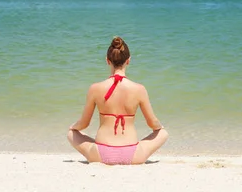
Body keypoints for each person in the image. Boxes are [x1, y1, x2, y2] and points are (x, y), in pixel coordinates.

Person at [67, 37, 169, 165]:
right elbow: (153, 123)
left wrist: (73, 127)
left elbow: (84, 123)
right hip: (133, 154)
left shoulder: (95, 88)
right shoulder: (139, 89)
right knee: (163, 133)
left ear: (107, 61)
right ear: (128, 60)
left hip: (100, 154)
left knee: (71, 134)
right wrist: (160, 127)